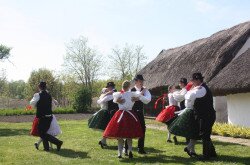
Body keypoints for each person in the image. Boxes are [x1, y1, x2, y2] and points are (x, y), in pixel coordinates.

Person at [103, 80, 147, 158]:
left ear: (122, 86)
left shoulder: (118, 94)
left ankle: (119, 154)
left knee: (120, 136)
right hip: (130, 115)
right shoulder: (132, 94)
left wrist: (117, 100)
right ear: (129, 86)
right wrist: (143, 90)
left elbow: (114, 100)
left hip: (120, 115)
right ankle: (130, 152)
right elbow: (139, 96)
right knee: (129, 136)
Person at [30, 81, 63, 151]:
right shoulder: (49, 95)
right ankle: (46, 148)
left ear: (39, 87)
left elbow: (31, 103)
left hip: (42, 117)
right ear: (45, 87)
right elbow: (54, 106)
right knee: (44, 133)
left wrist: (37, 105)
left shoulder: (37, 95)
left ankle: (58, 142)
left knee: (41, 133)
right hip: (49, 116)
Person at [191, 73, 217, 160]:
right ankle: (212, 153)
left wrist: (191, 90)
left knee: (204, 134)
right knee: (205, 134)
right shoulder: (201, 88)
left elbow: (189, 96)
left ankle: (206, 156)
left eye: (193, 81)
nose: (192, 82)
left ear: (198, 80)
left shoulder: (201, 89)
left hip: (206, 116)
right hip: (205, 115)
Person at [124, 74, 151, 155]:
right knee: (129, 130)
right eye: (140, 81)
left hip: (140, 113)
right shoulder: (131, 90)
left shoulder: (145, 90)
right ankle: (126, 148)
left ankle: (140, 148)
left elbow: (147, 100)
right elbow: (129, 100)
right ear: (136, 81)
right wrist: (140, 95)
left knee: (142, 129)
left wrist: (138, 97)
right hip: (131, 112)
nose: (141, 82)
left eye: (142, 81)